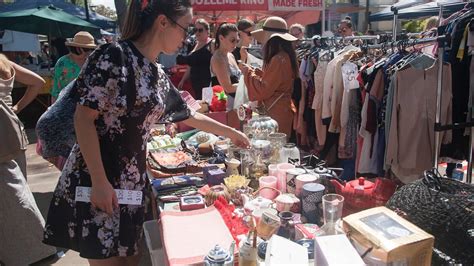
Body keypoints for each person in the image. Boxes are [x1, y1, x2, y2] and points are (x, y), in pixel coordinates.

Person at [42, 1, 249, 265]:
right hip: (99, 180)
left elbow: (188, 113)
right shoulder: (113, 55)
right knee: (108, 259)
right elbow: (83, 117)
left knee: (132, 258)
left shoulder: (155, 72)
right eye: (185, 28)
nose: (186, 38)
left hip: (132, 182)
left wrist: (231, 132)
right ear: (163, 22)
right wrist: (99, 181)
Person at [0, 53, 57, 265]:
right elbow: (37, 82)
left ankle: (29, 248)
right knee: (19, 191)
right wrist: (15, 108)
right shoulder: (4, 61)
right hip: (12, 131)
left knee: (13, 196)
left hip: (5, 137)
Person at [239, 16, 299, 138]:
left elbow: (263, 90)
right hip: (282, 110)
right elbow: (275, 82)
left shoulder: (278, 59)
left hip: (276, 113)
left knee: (273, 150)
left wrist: (248, 72)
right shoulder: (285, 56)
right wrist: (255, 72)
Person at [50, 31, 96, 103]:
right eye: (86, 49)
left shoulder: (92, 62)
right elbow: (56, 90)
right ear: (77, 48)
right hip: (65, 104)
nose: (89, 53)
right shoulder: (62, 62)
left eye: (91, 49)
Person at [177, 18, 213, 99]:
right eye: (195, 30)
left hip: (207, 84)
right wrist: (182, 80)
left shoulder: (211, 44)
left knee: (207, 106)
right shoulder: (194, 45)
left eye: (200, 30)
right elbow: (190, 65)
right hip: (195, 85)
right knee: (199, 106)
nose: (197, 32)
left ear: (207, 31)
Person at [210, 23, 241, 106]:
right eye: (232, 40)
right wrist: (249, 85)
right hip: (225, 105)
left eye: (237, 41)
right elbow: (228, 88)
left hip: (237, 103)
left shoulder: (230, 55)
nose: (235, 44)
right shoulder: (218, 58)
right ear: (221, 38)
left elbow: (238, 77)